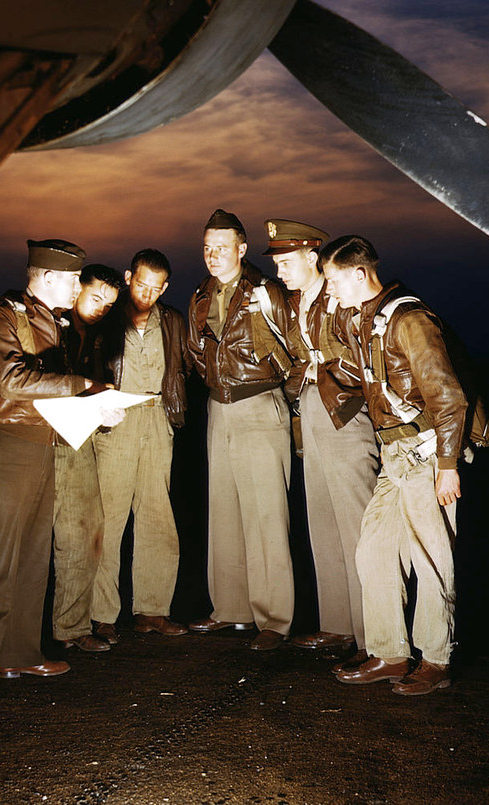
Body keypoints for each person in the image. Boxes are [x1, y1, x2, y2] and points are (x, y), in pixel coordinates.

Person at [0, 238, 108, 707]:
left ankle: (19, 654)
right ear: (46, 278)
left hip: (44, 445)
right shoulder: (5, 315)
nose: (77, 286)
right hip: (8, 447)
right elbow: (13, 381)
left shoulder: (53, 322)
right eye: (71, 278)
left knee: (31, 557)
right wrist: (84, 385)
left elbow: (50, 391)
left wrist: (96, 405)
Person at [321, 235, 467, 696]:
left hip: (424, 454)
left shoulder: (408, 319)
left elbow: (448, 396)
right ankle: (389, 652)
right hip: (394, 456)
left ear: (359, 274)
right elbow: (364, 379)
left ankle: (436, 659)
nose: (331, 291)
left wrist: (447, 464)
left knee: (431, 560)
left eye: (334, 281)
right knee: (374, 551)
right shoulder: (365, 322)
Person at [264, 219, 379, 670]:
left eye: (287, 262)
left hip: (346, 414)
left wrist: (319, 371)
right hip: (313, 410)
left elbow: (363, 357)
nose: (280, 272)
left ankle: (375, 634)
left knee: (355, 525)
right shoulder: (296, 302)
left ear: (313, 257)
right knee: (324, 520)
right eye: (276, 263)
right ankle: (338, 623)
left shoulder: (338, 300)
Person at [186, 209, 296, 651]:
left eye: (222, 247)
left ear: (242, 249)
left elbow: (292, 348)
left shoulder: (265, 291)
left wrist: (276, 398)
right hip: (219, 407)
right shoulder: (200, 294)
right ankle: (229, 610)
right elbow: (196, 353)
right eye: (207, 248)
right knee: (224, 511)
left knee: (267, 514)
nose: (213, 255)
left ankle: (274, 619)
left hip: (257, 404)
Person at [91, 249, 190, 643]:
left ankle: (152, 610)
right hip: (116, 419)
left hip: (157, 417)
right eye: (141, 284)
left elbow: (185, 367)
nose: (146, 294)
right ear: (129, 276)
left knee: (157, 515)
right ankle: (101, 615)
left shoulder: (172, 321)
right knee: (108, 517)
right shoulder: (107, 318)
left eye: (155, 288)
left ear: (164, 287)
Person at [52, 264, 125, 653]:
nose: (100, 308)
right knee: (44, 539)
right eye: (95, 297)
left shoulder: (98, 337)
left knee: (86, 532)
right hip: (42, 441)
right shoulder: (51, 326)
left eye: (109, 304)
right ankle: (32, 635)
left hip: (76, 441)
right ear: (76, 288)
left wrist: (106, 413)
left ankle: (71, 628)